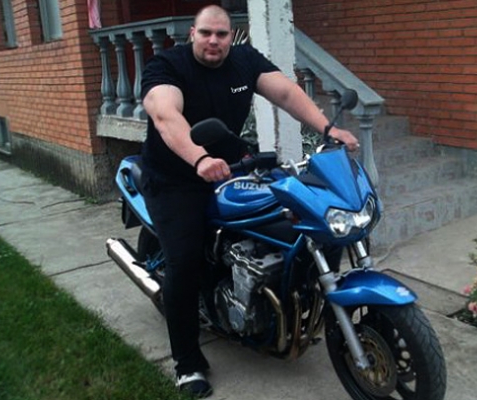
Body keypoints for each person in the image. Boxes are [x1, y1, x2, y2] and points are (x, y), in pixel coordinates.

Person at [140, 5, 359, 398]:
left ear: (232, 36)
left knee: (296, 224)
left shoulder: (244, 60)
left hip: (230, 166)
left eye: (221, 34)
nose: (214, 41)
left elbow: (287, 92)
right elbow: (165, 115)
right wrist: (199, 158)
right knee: (184, 263)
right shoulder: (167, 66)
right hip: (176, 178)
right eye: (206, 33)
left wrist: (329, 129)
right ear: (192, 34)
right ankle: (187, 363)